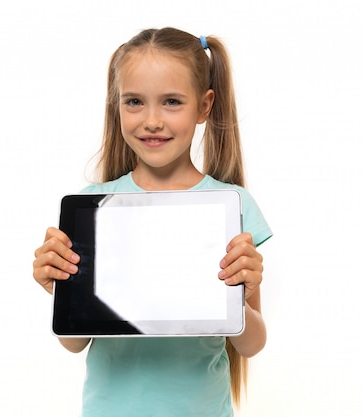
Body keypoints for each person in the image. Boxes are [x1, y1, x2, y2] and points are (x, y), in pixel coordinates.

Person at [33, 27, 272, 416]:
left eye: (172, 101)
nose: (152, 120)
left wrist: (241, 297)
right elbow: (75, 343)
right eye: (134, 102)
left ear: (205, 106)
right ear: (117, 106)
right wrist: (63, 295)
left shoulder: (233, 204)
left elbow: (252, 344)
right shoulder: (95, 205)